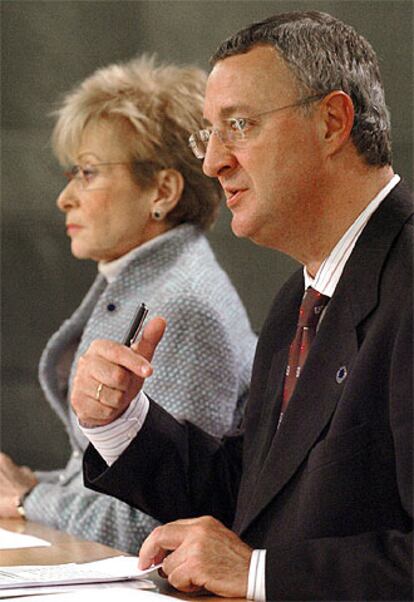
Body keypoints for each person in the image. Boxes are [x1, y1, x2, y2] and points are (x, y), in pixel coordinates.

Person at [71, 11, 412, 600]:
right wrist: (125, 423)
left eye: (240, 125)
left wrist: (257, 574)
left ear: (332, 122)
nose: (213, 162)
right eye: (212, 132)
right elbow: (258, 497)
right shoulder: (298, 299)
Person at [0, 55, 257, 554]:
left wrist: (32, 498)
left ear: (162, 190)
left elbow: (155, 524)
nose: (64, 198)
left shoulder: (182, 305)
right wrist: (34, 487)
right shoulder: (151, 278)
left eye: (88, 172)